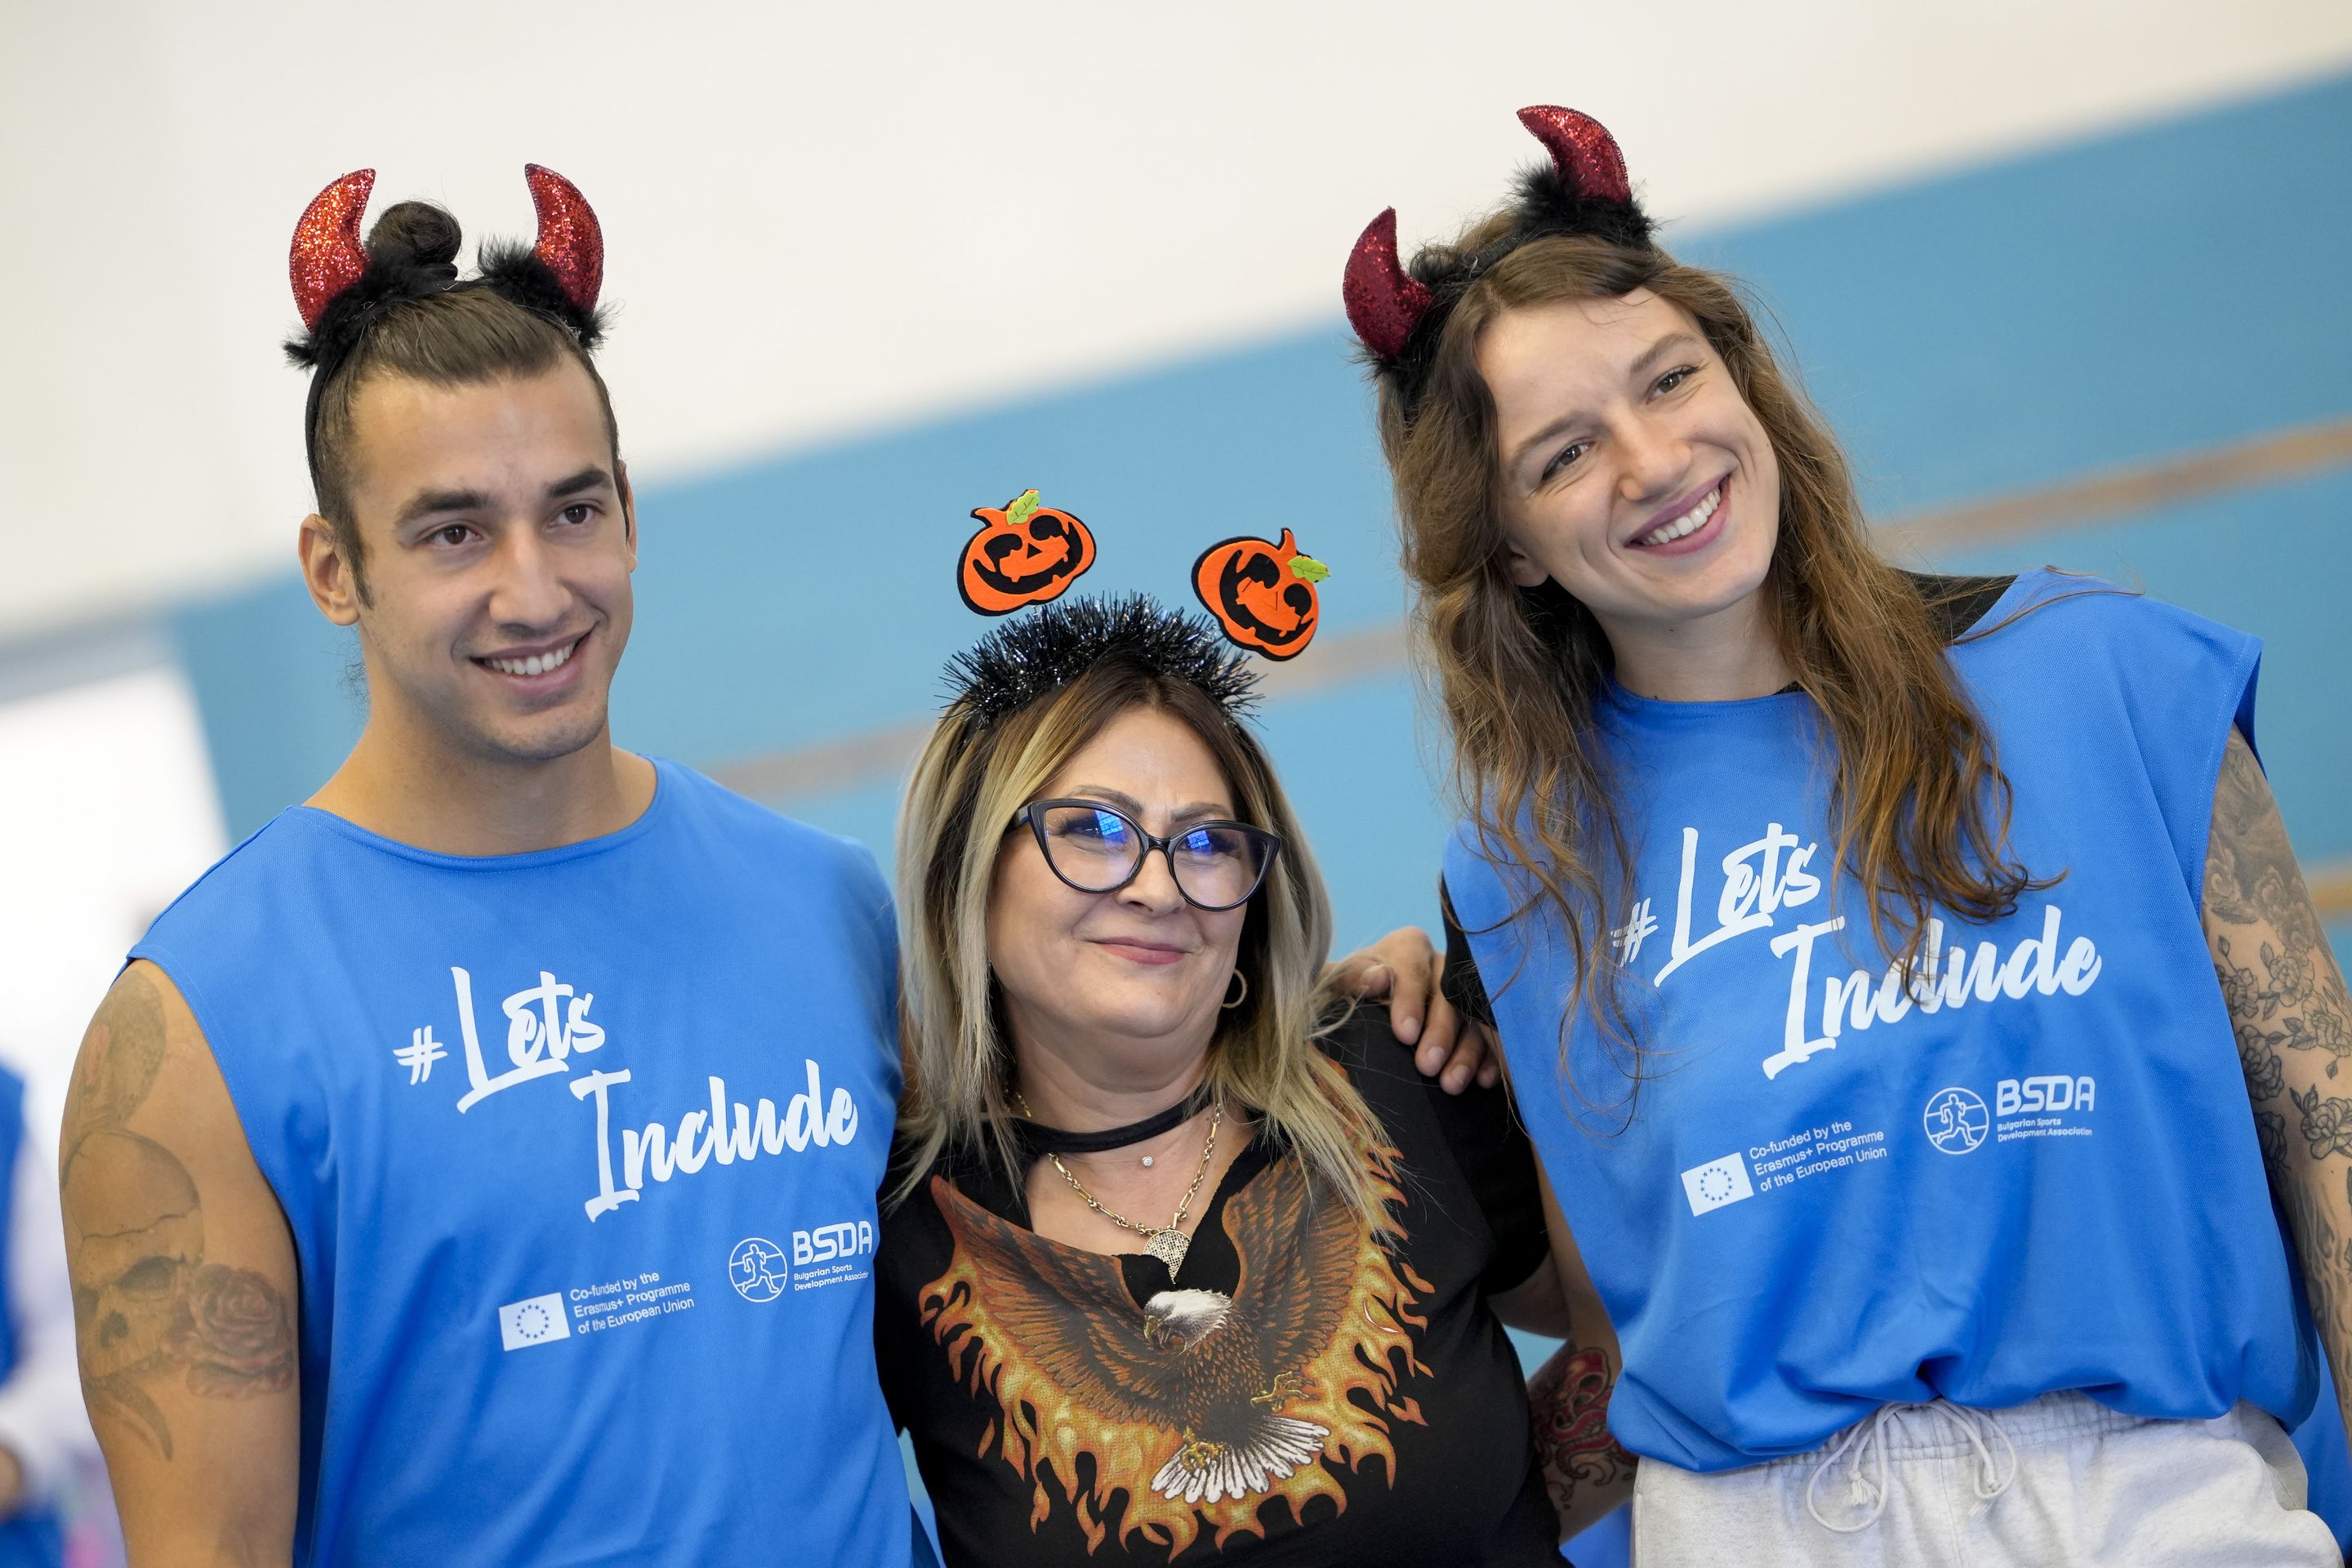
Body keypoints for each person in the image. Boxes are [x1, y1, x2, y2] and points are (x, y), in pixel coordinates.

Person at [64, 167, 1467, 1566]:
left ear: (628, 514)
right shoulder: (202, 1025)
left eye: (572, 510)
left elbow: (1073, 1132)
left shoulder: (822, 906)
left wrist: (1323, 1017)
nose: (533, 587)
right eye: (453, 531)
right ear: (332, 567)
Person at [1343, 105, 2351, 1565]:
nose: (1654, 459)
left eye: (1670, 379)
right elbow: (1614, 1323)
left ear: (1739, 377)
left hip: (2161, 1498)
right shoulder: (1520, 878)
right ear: (1508, 544)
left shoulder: (2113, 677)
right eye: (1565, 453)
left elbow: (2328, 1132)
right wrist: (1398, 1064)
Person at [875, 594, 1612, 1565]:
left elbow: (1643, 1347)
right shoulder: (892, 1234)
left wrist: (1498, 1506)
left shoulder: (1405, 1071)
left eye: (1208, 843)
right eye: (1092, 828)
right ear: (966, 871)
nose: (1156, 887)